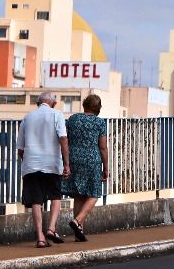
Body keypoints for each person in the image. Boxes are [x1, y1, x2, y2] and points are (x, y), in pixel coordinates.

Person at [17, 92, 71, 248]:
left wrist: (27, 162)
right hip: (52, 163)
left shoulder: (27, 117)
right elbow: (63, 139)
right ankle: (51, 229)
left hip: (31, 164)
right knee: (55, 196)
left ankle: (40, 237)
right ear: (53, 103)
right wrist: (66, 164)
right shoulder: (57, 114)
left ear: (38, 103)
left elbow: (20, 149)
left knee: (36, 200)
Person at [61, 94, 109, 242]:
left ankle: (79, 232)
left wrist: (66, 162)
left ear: (84, 105)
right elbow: (102, 147)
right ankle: (77, 221)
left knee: (79, 194)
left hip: (74, 158)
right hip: (91, 160)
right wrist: (106, 167)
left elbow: (66, 139)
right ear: (98, 108)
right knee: (94, 193)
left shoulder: (73, 119)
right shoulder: (99, 123)